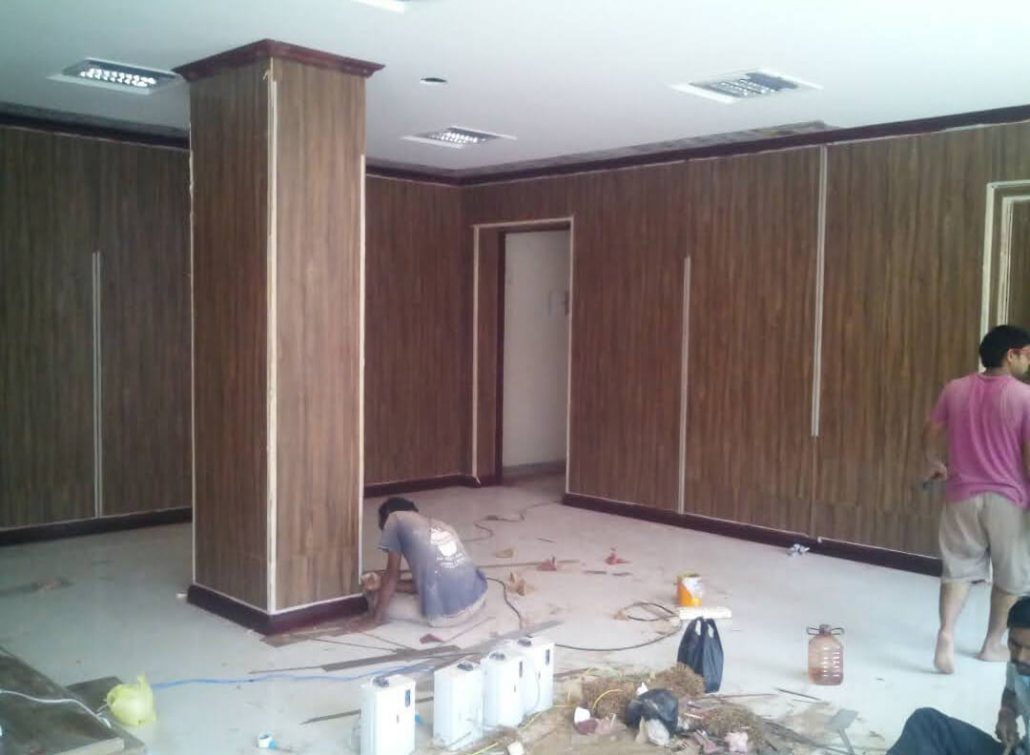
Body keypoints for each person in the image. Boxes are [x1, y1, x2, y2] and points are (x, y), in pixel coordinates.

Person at [923, 324, 1030, 673]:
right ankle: (992, 645)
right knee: (1011, 578)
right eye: (1027, 355)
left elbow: (932, 430)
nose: (1028, 362)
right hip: (1009, 500)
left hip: (961, 495)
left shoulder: (955, 389)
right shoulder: (1025, 397)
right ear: (1011, 355)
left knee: (958, 570)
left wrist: (935, 462)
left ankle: (946, 633)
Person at [887, 596, 1030, 755]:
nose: (1021, 657)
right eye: (1014, 644)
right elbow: (1011, 690)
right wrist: (1007, 713)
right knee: (927, 723)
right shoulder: (1019, 664)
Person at [345, 497, 488, 631]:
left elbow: (392, 577)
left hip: (449, 616)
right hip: (477, 599)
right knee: (391, 589)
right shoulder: (441, 525)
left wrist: (375, 619)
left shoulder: (394, 521)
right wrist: (382, 582)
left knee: (376, 599)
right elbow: (431, 582)